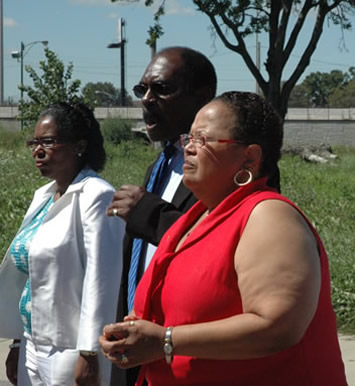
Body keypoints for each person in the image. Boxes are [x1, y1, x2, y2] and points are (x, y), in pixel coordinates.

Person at [100, 91, 347, 386]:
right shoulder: (192, 220)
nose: (189, 148)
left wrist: (166, 340)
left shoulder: (268, 216)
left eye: (202, 140)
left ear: (250, 157)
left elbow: (278, 326)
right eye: (188, 139)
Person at [106, 46, 217, 386]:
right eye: (142, 90)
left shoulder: (228, 165)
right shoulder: (163, 161)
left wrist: (150, 215)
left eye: (162, 89)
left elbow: (221, 241)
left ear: (202, 96)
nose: (146, 99)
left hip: (182, 346)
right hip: (136, 339)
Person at [0, 102, 125, 386]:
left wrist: (90, 353)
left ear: (79, 146)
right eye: (34, 142)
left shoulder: (97, 196)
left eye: (48, 142)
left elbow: (101, 281)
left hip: (69, 348)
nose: (38, 150)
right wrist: (19, 341)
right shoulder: (44, 195)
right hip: (32, 342)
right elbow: (30, 276)